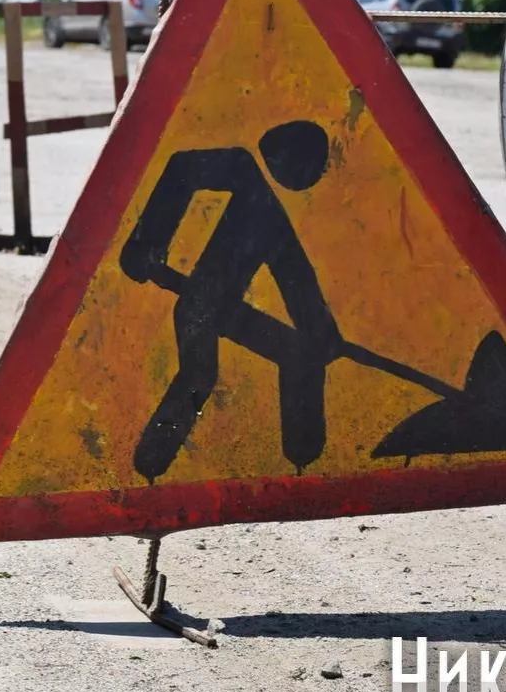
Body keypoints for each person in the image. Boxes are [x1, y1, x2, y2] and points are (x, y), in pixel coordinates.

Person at [119, 120, 342, 480]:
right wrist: (146, 247)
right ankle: (151, 462)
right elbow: (179, 169)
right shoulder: (240, 167)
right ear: (286, 158)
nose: (318, 173)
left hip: (228, 310)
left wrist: (322, 333)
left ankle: (303, 460)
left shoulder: (274, 215)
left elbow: (296, 278)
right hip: (199, 306)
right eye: (311, 165)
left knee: (301, 355)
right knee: (200, 373)